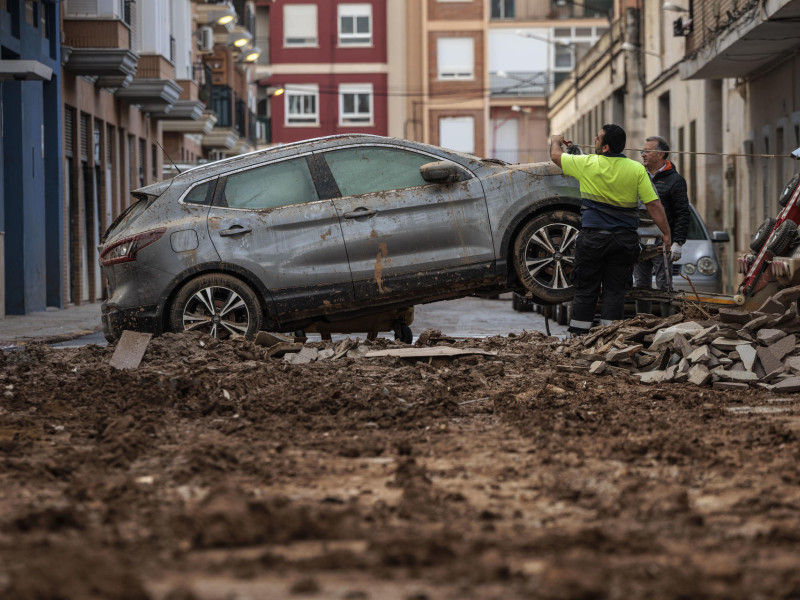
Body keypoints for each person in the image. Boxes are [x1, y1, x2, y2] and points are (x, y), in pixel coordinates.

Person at [550, 124, 671, 336]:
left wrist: (555, 140)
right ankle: (609, 339)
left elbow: (555, 156)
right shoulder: (636, 169)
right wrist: (667, 233)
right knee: (615, 292)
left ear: (605, 147)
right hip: (624, 242)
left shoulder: (587, 163)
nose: (594, 141)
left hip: (593, 239)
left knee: (586, 290)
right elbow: (653, 205)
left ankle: (579, 338)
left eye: (597, 139)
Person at [633, 136, 690, 306]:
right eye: (642, 151)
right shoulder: (638, 176)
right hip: (639, 240)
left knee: (664, 286)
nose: (643, 154)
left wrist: (678, 242)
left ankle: (665, 323)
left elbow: (682, 213)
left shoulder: (675, 181)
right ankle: (640, 324)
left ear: (661, 155)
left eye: (647, 151)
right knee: (640, 287)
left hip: (662, 243)